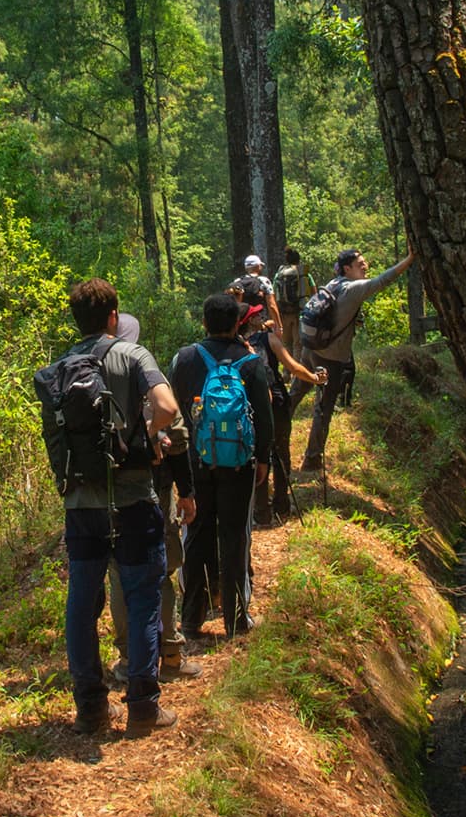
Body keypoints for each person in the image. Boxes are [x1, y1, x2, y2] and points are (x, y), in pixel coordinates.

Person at [41, 280, 196, 735]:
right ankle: (143, 707)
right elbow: (166, 406)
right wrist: (145, 438)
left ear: (76, 319)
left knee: (82, 603)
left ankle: (90, 707)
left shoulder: (58, 370)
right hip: (131, 499)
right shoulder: (133, 356)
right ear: (113, 316)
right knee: (143, 597)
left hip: (81, 504)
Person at [171, 293, 274, 639]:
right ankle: (236, 619)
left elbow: (174, 412)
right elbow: (264, 415)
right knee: (234, 536)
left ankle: (191, 620)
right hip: (239, 464)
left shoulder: (184, 359)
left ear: (204, 322)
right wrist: (263, 459)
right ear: (235, 325)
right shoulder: (250, 362)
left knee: (197, 534)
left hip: (195, 462)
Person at [107, 313, 202, 684]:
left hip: (107, 491)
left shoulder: (91, 372)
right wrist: (188, 491)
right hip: (154, 489)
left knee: (119, 576)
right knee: (161, 570)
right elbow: (177, 439)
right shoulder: (146, 375)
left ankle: (129, 661)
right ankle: (171, 654)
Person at [299, 248, 414, 473]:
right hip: (330, 358)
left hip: (310, 348)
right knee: (323, 408)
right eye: (360, 263)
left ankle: (276, 444)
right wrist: (409, 259)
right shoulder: (354, 289)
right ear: (347, 268)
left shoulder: (333, 283)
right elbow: (384, 280)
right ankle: (312, 461)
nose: (365, 265)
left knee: (294, 395)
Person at [241, 304, 327, 524]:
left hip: (250, 404)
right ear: (250, 321)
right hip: (277, 402)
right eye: (256, 315)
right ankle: (282, 505)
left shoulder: (237, 345)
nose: (261, 316)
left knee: (257, 454)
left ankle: (261, 511)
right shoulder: (269, 340)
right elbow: (294, 367)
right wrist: (315, 379)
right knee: (281, 451)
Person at [271, 247, 313, 360]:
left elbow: (274, 293)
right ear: (298, 260)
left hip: (284, 312)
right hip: (299, 311)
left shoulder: (279, 274)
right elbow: (314, 291)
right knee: (298, 343)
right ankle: (297, 372)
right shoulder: (304, 274)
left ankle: (286, 372)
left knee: (286, 343)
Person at [231, 254, 282, 330]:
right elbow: (272, 305)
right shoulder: (264, 281)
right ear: (258, 266)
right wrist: (279, 326)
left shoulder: (237, 282)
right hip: (260, 323)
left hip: (242, 326)